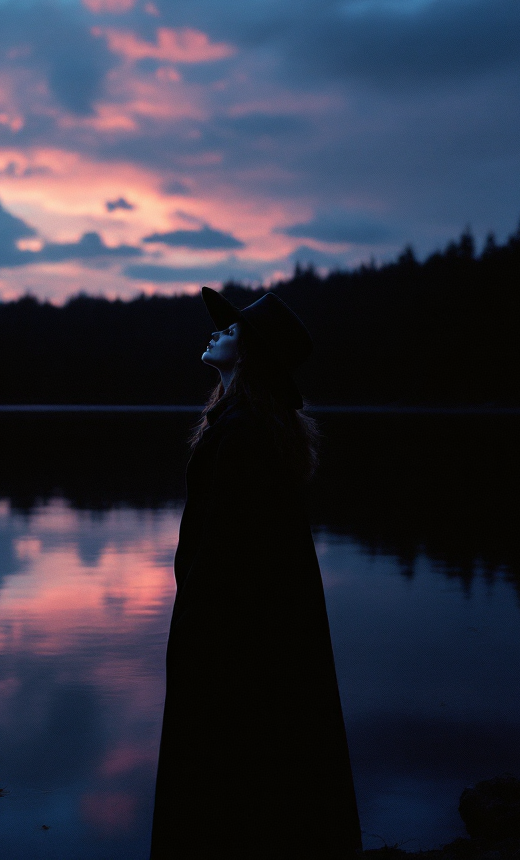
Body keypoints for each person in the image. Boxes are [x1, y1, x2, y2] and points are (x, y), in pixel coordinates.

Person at [149, 288, 361, 860]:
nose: (217, 331)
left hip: (233, 637)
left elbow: (228, 551)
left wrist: (196, 629)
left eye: (233, 328)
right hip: (254, 633)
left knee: (224, 773)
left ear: (251, 353)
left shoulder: (243, 433)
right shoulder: (245, 424)